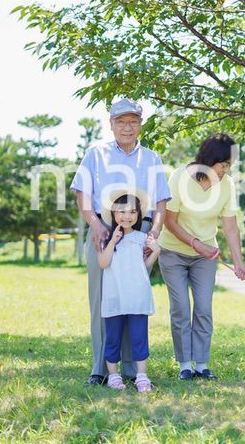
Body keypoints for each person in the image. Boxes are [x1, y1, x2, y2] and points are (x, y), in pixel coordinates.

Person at [70, 98, 171, 386]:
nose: (127, 127)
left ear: (141, 124)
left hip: (140, 237)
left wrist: (154, 234)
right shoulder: (95, 154)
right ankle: (100, 368)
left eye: (133, 121)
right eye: (121, 122)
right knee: (104, 300)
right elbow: (83, 194)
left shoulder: (152, 158)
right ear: (111, 124)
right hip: (104, 232)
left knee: (134, 298)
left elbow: (161, 203)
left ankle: (131, 369)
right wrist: (96, 224)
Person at [157, 133, 245, 380]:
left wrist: (239, 263)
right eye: (223, 165)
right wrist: (194, 243)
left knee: (203, 308)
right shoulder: (179, 177)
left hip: (205, 257)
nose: (226, 170)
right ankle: (184, 365)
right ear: (210, 159)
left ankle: (201, 364)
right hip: (173, 252)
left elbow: (230, 226)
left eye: (229, 166)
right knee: (181, 308)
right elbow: (169, 220)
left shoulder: (227, 184)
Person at [98, 191, 160, 393]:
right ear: (114, 214)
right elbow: (103, 263)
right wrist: (113, 242)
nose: (127, 216)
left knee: (139, 335)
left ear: (139, 215)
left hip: (137, 294)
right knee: (113, 336)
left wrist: (155, 252)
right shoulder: (107, 237)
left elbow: (144, 266)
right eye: (121, 212)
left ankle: (141, 375)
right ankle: (113, 375)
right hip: (114, 294)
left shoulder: (142, 238)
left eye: (132, 212)